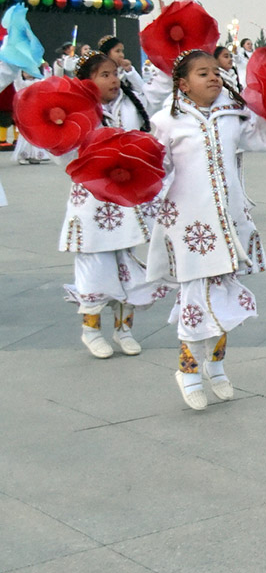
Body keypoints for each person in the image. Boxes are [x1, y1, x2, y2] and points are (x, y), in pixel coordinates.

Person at [146, 49, 266, 410]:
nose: (213, 77)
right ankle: (188, 371)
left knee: (222, 297)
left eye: (215, 72)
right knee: (196, 297)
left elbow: (260, 140)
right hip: (189, 225)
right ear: (183, 84)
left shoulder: (232, 115)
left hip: (228, 223)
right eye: (202, 73)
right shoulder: (166, 121)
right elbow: (154, 169)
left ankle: (216, 364)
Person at [63, 52, 171, 358]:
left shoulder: (132, 104)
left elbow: (160, 92)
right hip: (91, 203)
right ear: (87, 82)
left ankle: (124, 329)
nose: (113, 80)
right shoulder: (77, 114)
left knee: (127, 266)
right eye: (104, 75)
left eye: (114, 74)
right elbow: (64, 157)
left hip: (125, 199)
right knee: (94, 267)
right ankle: (91, 330)